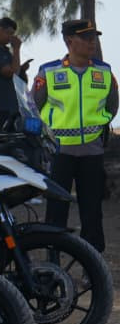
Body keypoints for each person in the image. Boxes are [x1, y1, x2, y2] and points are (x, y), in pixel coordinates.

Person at [32, 19, 117, 252]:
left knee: (92, 212)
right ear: (70, 41)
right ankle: (52, 266)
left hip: (92, 153)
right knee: (56, 213)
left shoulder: (105, 72)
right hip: (59, 154)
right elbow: (34, 107)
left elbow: (112, 106)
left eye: (94, 37)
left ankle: (94, 266)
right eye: (86, 38)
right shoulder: (49, 72)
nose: (92, 42)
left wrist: (98, 129)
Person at [0, 16, 32, 126]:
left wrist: (22, 70)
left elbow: (19, 78)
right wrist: (16, 49)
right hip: (1, 108)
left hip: (15, 108)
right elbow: (11, 73)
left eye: (12, 34)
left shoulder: (7, 53)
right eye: (9, 33)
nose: (11, 38)